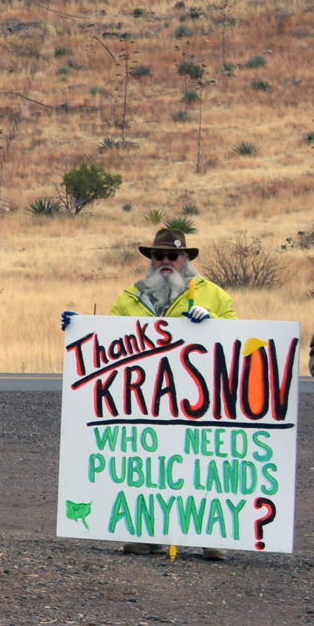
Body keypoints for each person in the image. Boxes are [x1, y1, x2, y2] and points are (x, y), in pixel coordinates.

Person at [93, 226, 236, 559]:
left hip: (199, 398)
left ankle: (212, 536)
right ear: (151, 260)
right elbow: (108, 336)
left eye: (174, 255)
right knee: (151, 465)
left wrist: (213, 320)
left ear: (185, 259)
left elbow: (237, 335)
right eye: (160, 256)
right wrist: (77, 327)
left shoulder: (213, 293)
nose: (166, 261)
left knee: (199, 464)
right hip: (145, 398)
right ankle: (150, 535)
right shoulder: (130, 297)